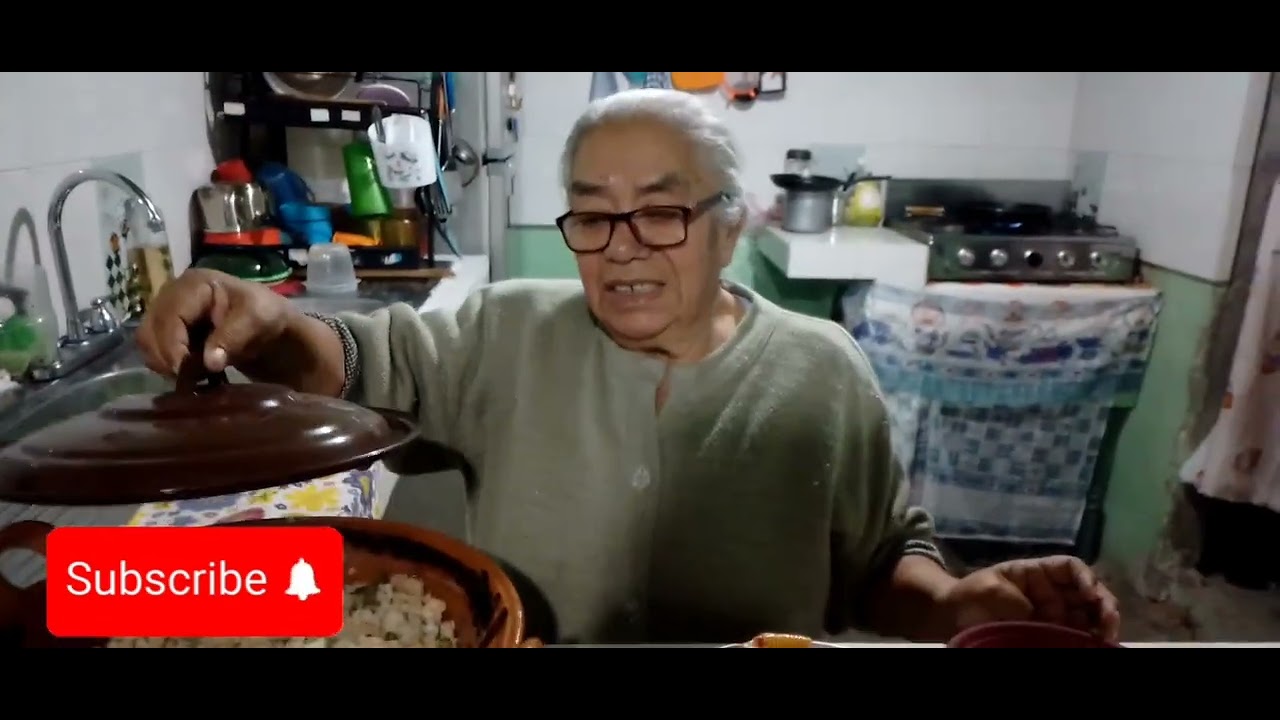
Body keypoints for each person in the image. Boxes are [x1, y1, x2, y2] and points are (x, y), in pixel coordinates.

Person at [139, 88, 1121, 645]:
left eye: (661, 209)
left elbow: (876, 559)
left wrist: (951, 602)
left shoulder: (823, 370)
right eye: (591, 212)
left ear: (729, 224)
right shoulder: (503, 329)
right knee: (108, 587)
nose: (621, 244)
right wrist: (268, 327)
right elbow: (351, 363)